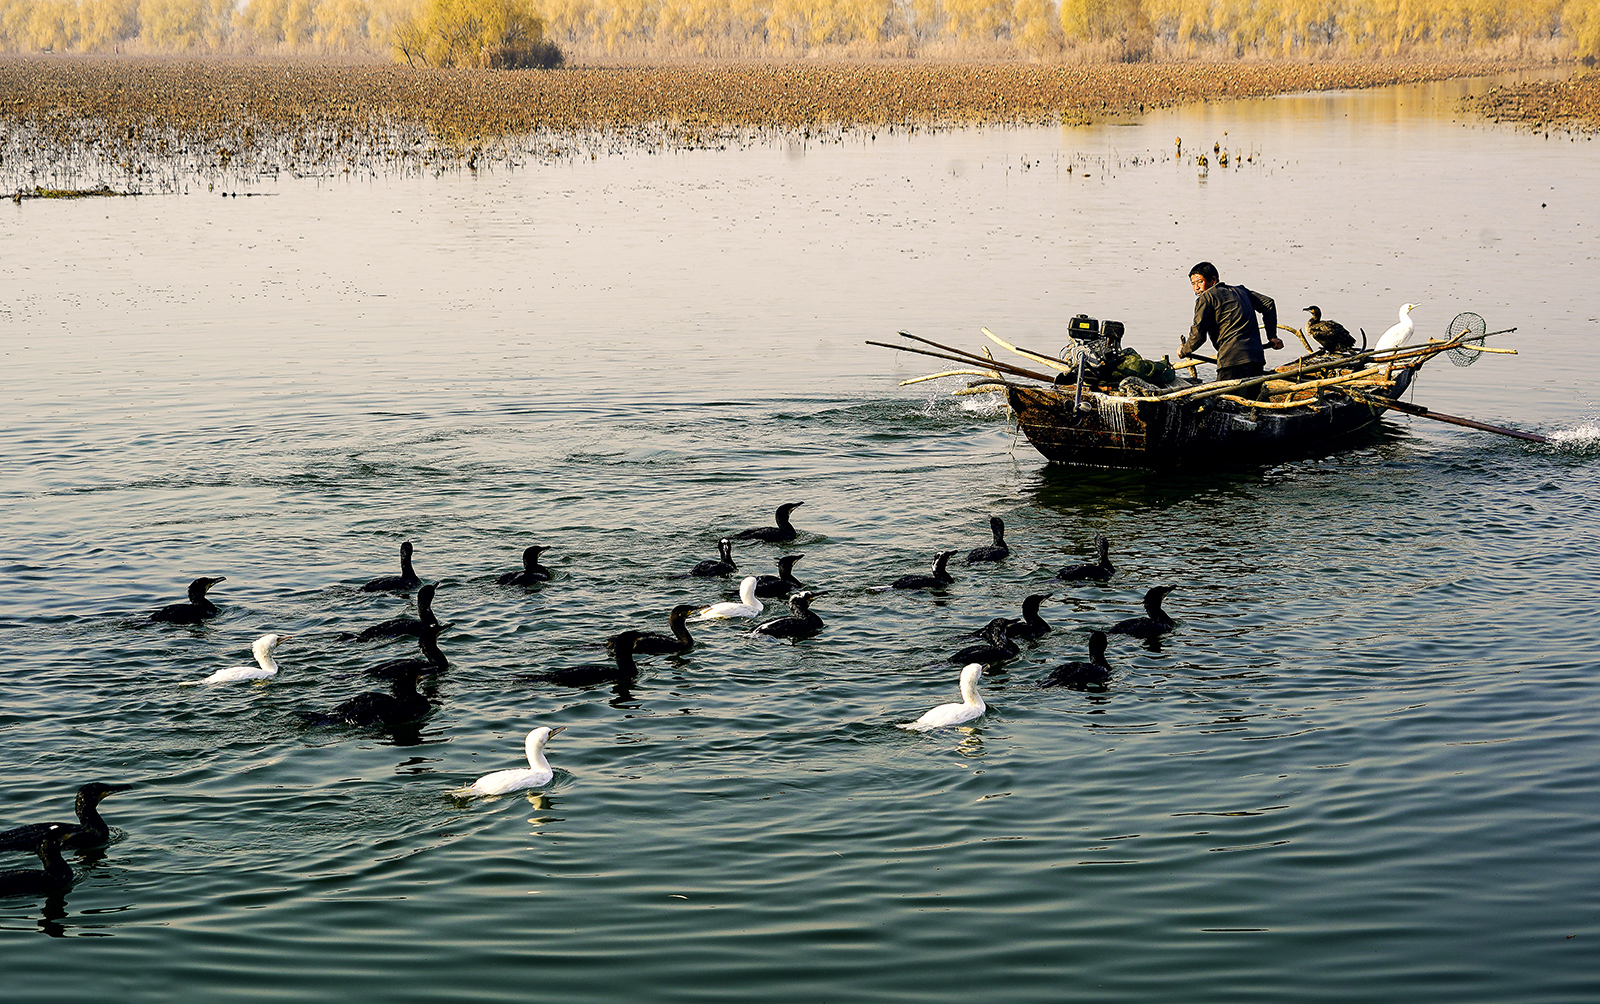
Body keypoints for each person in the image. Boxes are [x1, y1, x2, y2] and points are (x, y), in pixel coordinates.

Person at [1180, 261, 1282, 383]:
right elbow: (1268, 304)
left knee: (1224, 399)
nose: (1196, 287)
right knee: (1250, 399)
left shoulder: (1207, 297)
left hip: (1232, 360)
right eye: (1193, 283)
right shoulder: (1241, 291)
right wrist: (1272, 336)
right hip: (1256, 358)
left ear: (1213, 280)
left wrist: (1184, 350)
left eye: (1200, 282)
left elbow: (1198, 335)